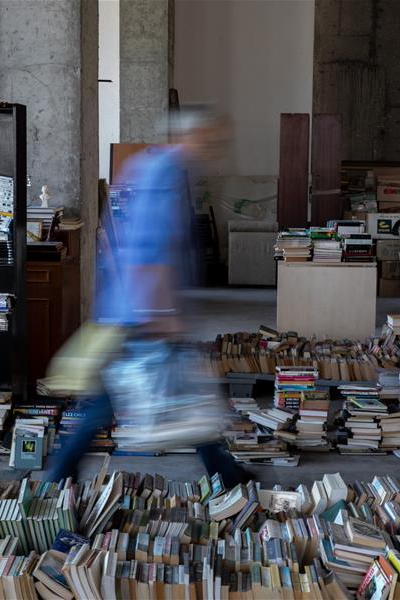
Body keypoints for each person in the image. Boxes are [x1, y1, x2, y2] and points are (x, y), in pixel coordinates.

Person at [44, 110, 252, 486]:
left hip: (130, 306)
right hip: (143, 311)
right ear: (193, 136)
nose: (216, 146)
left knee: (168, 393)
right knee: (171, 394)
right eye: (212, 137)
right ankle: (59, 474)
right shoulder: (166, 174)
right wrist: (161, 314)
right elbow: (147, 247)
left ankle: (227, 473)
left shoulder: (150, 164)